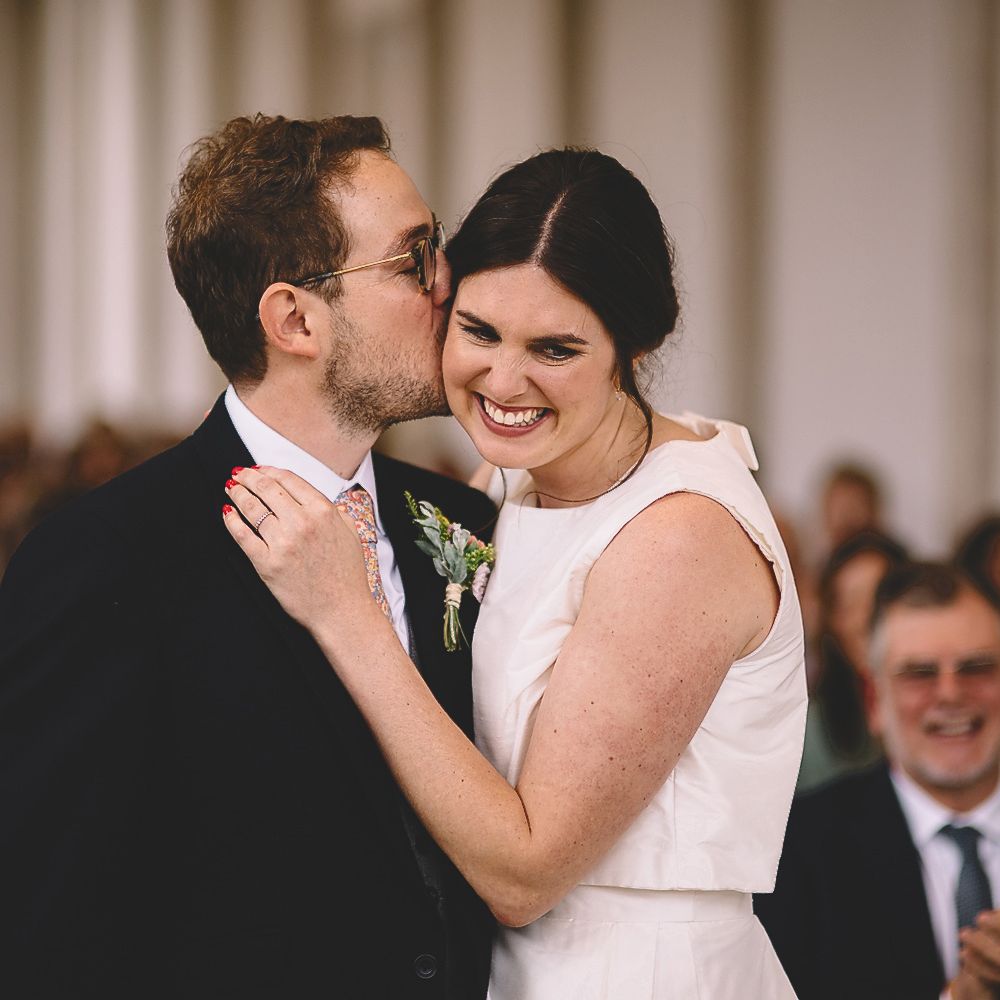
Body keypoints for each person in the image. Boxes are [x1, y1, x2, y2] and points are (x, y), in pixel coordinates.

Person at [223, 148, 807, 999]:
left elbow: (526, 873)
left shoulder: (679, 535)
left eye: (556, 348)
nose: (504, 381)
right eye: (479, 330)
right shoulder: (512, 478)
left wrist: (347, 610)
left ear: (635, 343)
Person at [0, 114, 495, 999]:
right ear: (294, 318)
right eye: (412, 258)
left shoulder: (462, 527)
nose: (449, 287)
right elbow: (50, 926)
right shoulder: (106, 562)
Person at [755, 561, 1000, 1000]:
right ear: (873, 700)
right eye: (919, 674)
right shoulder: (798, 852)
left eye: (977, 668)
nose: (949, 693)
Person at [797, 530, 908, 790]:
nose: (865, 620)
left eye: (879, 600)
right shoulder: (809, 734)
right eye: (850, 605)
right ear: (832, 624)